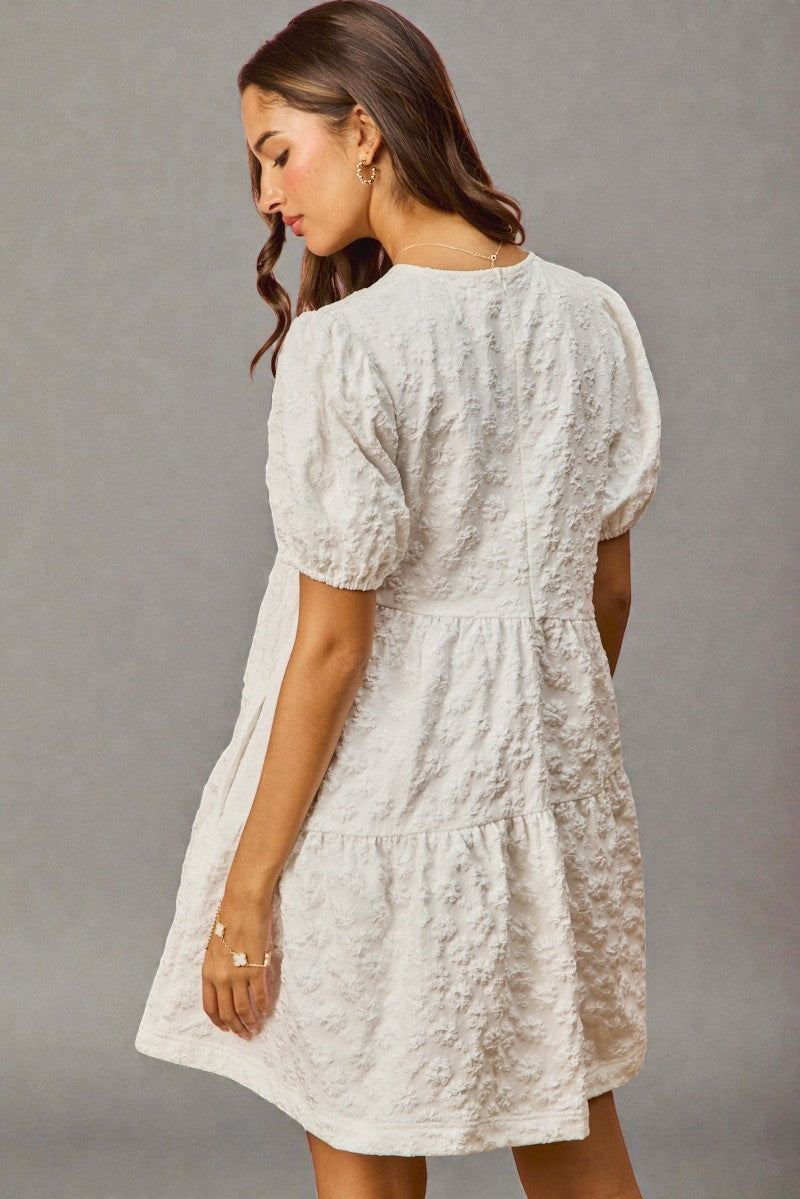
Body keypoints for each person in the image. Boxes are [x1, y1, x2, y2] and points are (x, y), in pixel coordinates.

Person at [134, 3, 661, 1196]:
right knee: (571, 1132)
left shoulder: (348, 348)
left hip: (367, 810)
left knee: (361, 1142)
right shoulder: (590, 318)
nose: (266, 194)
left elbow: (330, 645)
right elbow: (607, 587)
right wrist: (521, 739)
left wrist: (248, 885)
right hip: (540, 804)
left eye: (278, 151)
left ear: (363, 130)